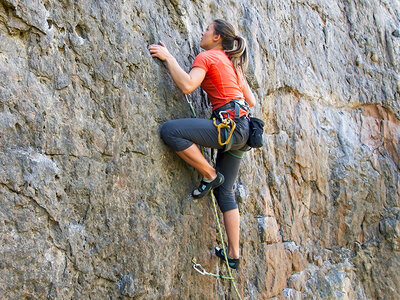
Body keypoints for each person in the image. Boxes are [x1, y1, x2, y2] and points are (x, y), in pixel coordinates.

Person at [148, 19, 256, 269]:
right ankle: (234, 254)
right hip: (243, 130)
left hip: (229, 128)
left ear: (217, 37)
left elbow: (187, 85)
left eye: (207, 30)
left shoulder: (207, 57)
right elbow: (250, 100)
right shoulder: (232, 64)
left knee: (170, 131)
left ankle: (209, 174)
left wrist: (168, 58)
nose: (203, 32)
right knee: (226, 192)